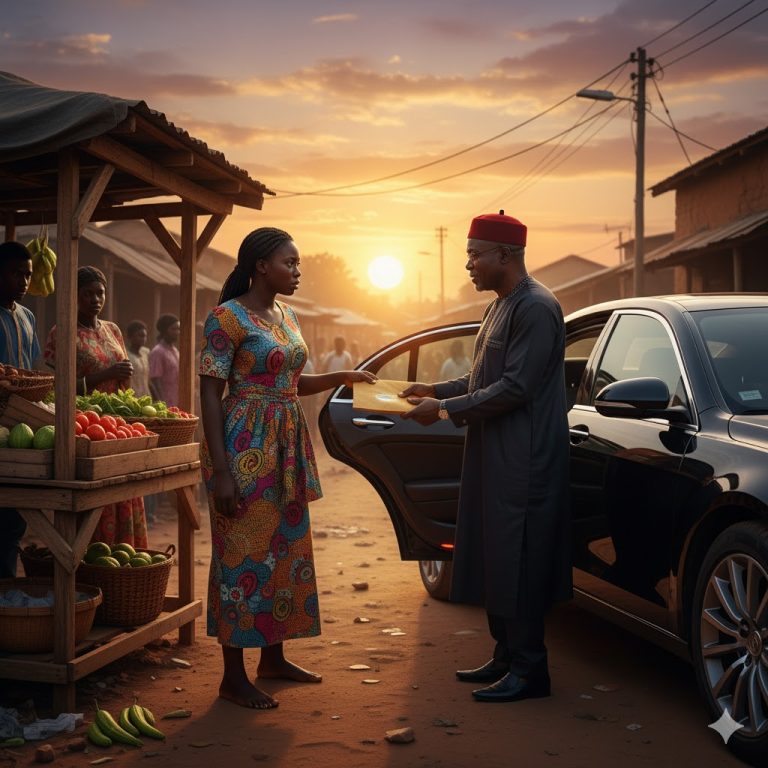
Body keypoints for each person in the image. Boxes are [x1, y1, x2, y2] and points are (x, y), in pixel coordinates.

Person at [198, 227, 375, 710]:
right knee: (241, 555)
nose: (297, 271)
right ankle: (233, 677)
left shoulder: (287, 315)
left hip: (286, 451)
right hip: (244, 448)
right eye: (290, 263)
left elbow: (291, 382)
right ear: (261, 266)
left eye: (298, 264)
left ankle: (272, 659)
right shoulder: (226, 318)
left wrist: (342, 376)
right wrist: (221, 470)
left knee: (283, 550)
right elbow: (210, 393)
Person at [401, 210, 571, 703]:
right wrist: (436, 389)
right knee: (497, 553)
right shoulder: (500, 305)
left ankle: (530, 670)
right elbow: (483, 377)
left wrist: (444, 410)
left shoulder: (536, 307)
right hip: (494, 452)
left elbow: (516, 387)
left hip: (525, 458)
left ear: (506, 255)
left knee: (519, 559)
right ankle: (505, 656)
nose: (469, 264)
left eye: (475, 255)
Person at [45, 266, 148, 548]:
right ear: (75, 296)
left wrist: (124, 373)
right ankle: (91, 557)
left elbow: (122, 370)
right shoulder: (62, 331)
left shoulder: (113, 329)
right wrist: (106, 374)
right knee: (94, 495)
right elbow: (58, 386)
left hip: (117, 424)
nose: (95, 299)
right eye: (87, 294)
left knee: (123, 486)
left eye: (99, 293)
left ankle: (123, 555)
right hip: (85, 426)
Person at [0, 241, 40, 578]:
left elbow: (31, 367)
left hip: (20, 426)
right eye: (16, 274)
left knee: (13, 519)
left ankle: (7, 584)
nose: (24, 282)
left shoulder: (27, 317)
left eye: (27, 275)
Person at [149, 314, 180, 406]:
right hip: (166, 401)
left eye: (178, 329)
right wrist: (162, 403)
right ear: (165, 330)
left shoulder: (175, 351)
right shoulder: (158, 351)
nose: (177, 332)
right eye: (173, 329)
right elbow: (155, 380)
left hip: (177, 398)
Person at [125, 320, 151, 397]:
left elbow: (148, 379)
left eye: (145, 336)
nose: (143, 339)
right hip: (133, 397)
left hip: (146, 395)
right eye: (140, 335)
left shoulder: (146, 352)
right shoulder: (125, 355)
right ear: (130, 337)